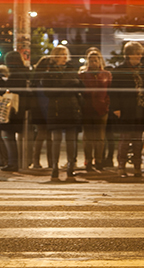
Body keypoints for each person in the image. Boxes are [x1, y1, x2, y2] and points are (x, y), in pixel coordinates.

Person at [36, 45, 82, 180]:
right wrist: (68, 85)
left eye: (66, 54)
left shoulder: (71, 69)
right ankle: (55, 168)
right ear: (55, 56)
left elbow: (80, 87)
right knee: (56, 140)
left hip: (71, 108)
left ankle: (70, 168)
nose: (65, 57)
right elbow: (49, 92)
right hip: (56, 109)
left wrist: (72, 85)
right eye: (62, 54)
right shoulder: (49, 72)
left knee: (71, 140)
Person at [110, 41, 144, 178]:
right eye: (137, 54)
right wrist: (116, 108)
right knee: (125, 138)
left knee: (138, 139)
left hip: (140, 108)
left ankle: (137, 166)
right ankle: (121, 166)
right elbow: (113, 91)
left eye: (140, 54)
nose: (139, 56)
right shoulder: (120, 70)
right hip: (126, 109)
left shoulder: (143, 70)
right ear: (129, 55)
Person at [78, 49, 112, 172]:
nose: (93, 62)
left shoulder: (106, 74)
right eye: (91, 60)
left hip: (101, 108)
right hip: (87, 108)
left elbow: (109, 91)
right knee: (88, 137)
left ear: (99, 61)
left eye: (95, 60)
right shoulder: (82, 75)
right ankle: (88, 161)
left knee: (100, 137)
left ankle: (98, 160)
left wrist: (107, 103)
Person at [0, 51, 32, 172]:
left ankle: (13, 162)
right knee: (20, 136)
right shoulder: (26, 73)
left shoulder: (14, 75)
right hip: (23, 108)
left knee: (7, 135)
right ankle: (22, 161)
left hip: (13, 109)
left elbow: (9, 91)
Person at [30, 56, 52, 169]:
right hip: (45, 109)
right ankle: (50, 162)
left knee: (41, 135)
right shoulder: (45, 78)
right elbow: (44, 97)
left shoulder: (36, 77)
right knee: (47, 136)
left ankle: (36, 161)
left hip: (37, 109)